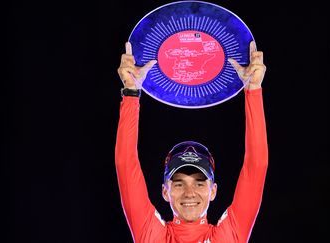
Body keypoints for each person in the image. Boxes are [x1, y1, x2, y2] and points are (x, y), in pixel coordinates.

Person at [115, 40, 268, 242]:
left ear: (213, 190)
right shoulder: (154, 236)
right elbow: (125, 164)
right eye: (178, 184)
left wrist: (254, 88)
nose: (189, 193)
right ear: (165, 191)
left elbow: (256, 166)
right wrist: (131, 91)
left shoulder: (228, 237)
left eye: (199, 183)